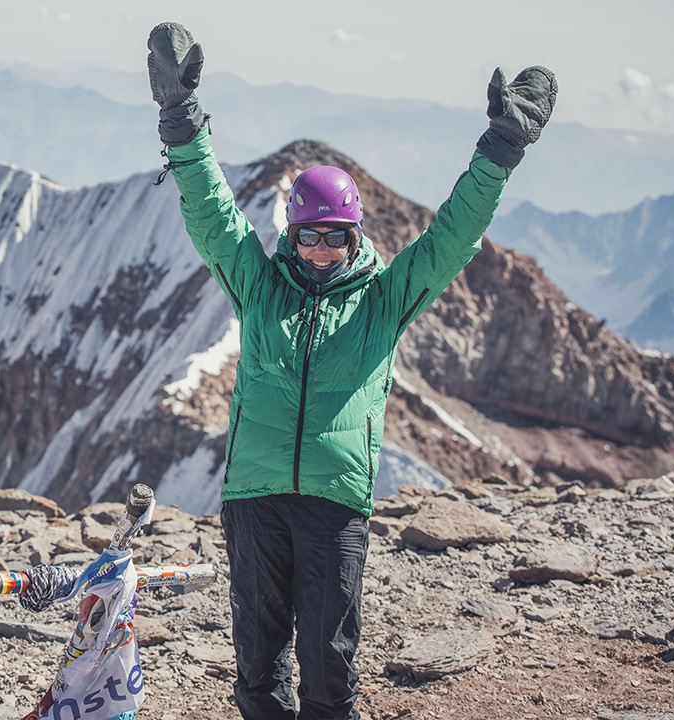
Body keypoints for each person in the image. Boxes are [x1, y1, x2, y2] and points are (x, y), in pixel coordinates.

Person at [145, 21, 556, 720]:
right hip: (254, 498)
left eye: (335, 238)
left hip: (335, 504)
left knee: (329, 665)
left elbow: (452, 238)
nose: (320, 251)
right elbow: (211, 213)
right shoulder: (259, 286)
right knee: (256, 664)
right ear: (291, 233)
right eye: (308, 235)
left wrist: (500, 150)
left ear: (354, 234)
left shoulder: (382, 301)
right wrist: (181, 120)